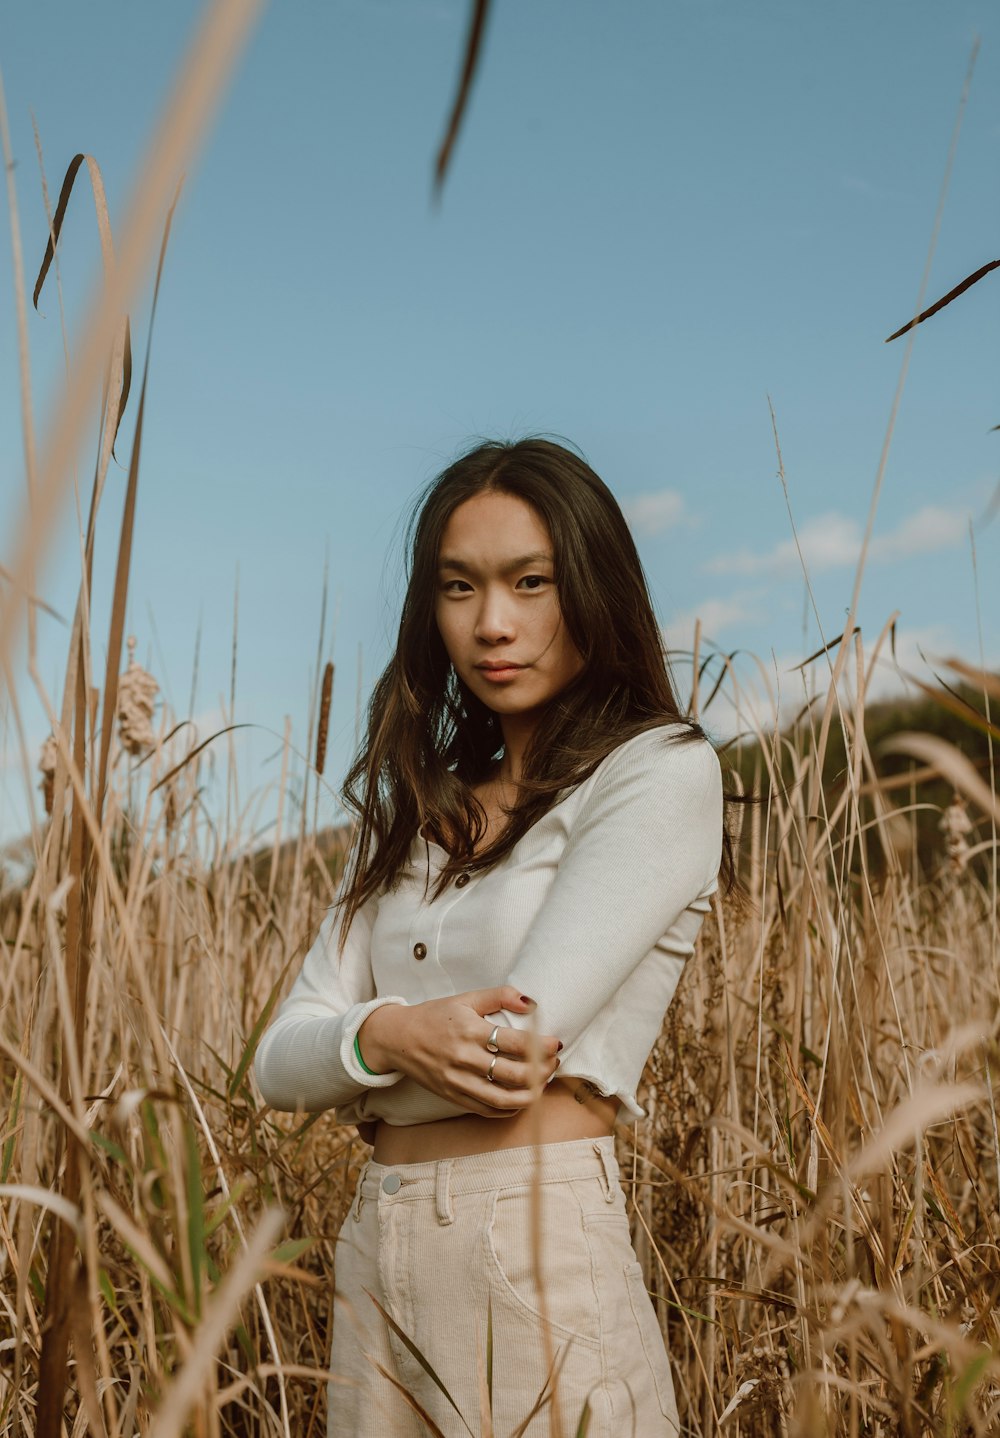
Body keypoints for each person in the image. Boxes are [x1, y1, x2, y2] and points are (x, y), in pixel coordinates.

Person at [254, 437, 733, 1437]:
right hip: (378, 1239)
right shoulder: (412, 810)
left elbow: (514, 1049)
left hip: (533, 1234)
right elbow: (274, 1062)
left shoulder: (657, 770)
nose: (493, 623)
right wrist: (383, 1035)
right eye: (458, 586)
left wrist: (352, 1042)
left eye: (530, 581)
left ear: (592, 588)